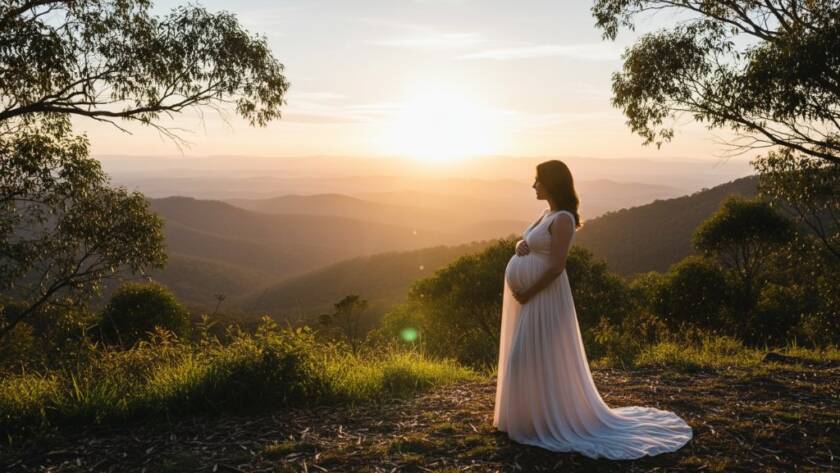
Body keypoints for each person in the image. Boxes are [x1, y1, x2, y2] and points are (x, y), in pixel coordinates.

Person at [493, 159, 692, 460]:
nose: (533, 185)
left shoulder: (562, 219)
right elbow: (534, 245)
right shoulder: (545, 214)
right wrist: (521, 245)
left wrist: (529, 292)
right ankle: (528, 420)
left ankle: (542, 422)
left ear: (552, 182)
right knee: (528, 357)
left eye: (538, 180)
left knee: (527, 357)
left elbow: (557, 267)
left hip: (544, 298)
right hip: (531, 297)